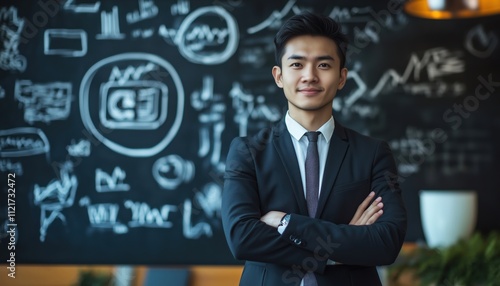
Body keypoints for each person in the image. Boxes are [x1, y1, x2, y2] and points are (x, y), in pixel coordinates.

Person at [221, 11, 407, 286]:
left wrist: (287, 223)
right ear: (279, 76)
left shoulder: (373, 154)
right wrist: (338, 248)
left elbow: (386, 242)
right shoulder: (248, 152)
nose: (309, 76)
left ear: (342, 77)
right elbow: (242, 238)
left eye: (323, 65)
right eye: (297, 64)